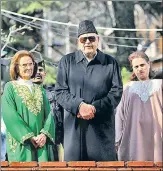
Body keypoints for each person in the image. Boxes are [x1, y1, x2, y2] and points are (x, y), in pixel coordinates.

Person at [55, 20, 123, 161]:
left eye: (91, 38)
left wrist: (94, 108)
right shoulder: (66, 62)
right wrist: (79, 106)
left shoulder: (110, 63)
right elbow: (60, 92)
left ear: (98, 39)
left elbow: (116, 92)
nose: (87, 42)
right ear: (78, 41)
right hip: (74, 129)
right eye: (83, 39)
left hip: (101, 130)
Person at [1, 50, 55, 162]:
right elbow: (10, 115)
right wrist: (29, 136)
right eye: (24, 65)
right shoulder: (10, 87)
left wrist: (44, 134)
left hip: (41, 144)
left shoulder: (40, 90)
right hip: (21, 143)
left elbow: (49, 115)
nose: (29, 67)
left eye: (31, 64)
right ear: (16, 67)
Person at [115, 51, 162, 162]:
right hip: (133, 137)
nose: (140, 69)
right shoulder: (126, 89)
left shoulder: (160, 85)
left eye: (142, 65)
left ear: (149, 64)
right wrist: (117, 140)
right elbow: (119, 116)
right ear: (133, 69)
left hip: (157, 136)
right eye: (136, 66)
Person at [32, 57, 64, 161]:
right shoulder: (19, 95)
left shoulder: (54, 95)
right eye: (34, 70)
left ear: (44, 74)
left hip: (51, 144)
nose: (37, 73)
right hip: (30, 143)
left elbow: (60, 121)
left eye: (40, 70)